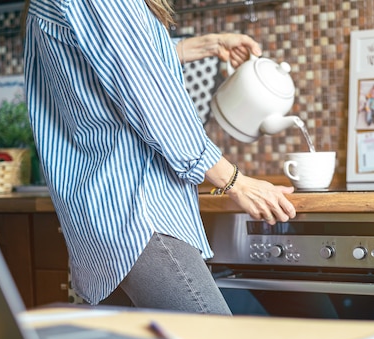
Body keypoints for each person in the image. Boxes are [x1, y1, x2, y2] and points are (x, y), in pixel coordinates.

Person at [22, 0, 297, 314]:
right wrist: (234, 181)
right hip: (138, 212)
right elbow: (151, 99)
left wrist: (209, 44)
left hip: (109, 212)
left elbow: (119, 58)